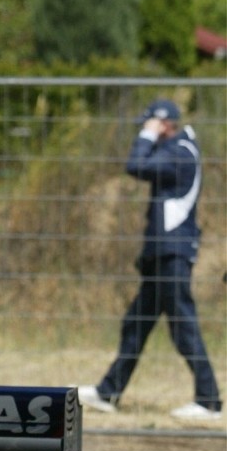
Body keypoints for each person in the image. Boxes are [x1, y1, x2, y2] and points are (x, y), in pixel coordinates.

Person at [80, 98, 222, 421]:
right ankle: (108, 392)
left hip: (173, 253)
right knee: (137, 324)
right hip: (161, 254)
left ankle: (209, 401)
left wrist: (147, 137)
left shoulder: (181, 152)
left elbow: (136, 166)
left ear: (164, 124)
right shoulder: (176, 150)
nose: (146, 131)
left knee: (183, 326)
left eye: (151, 124)